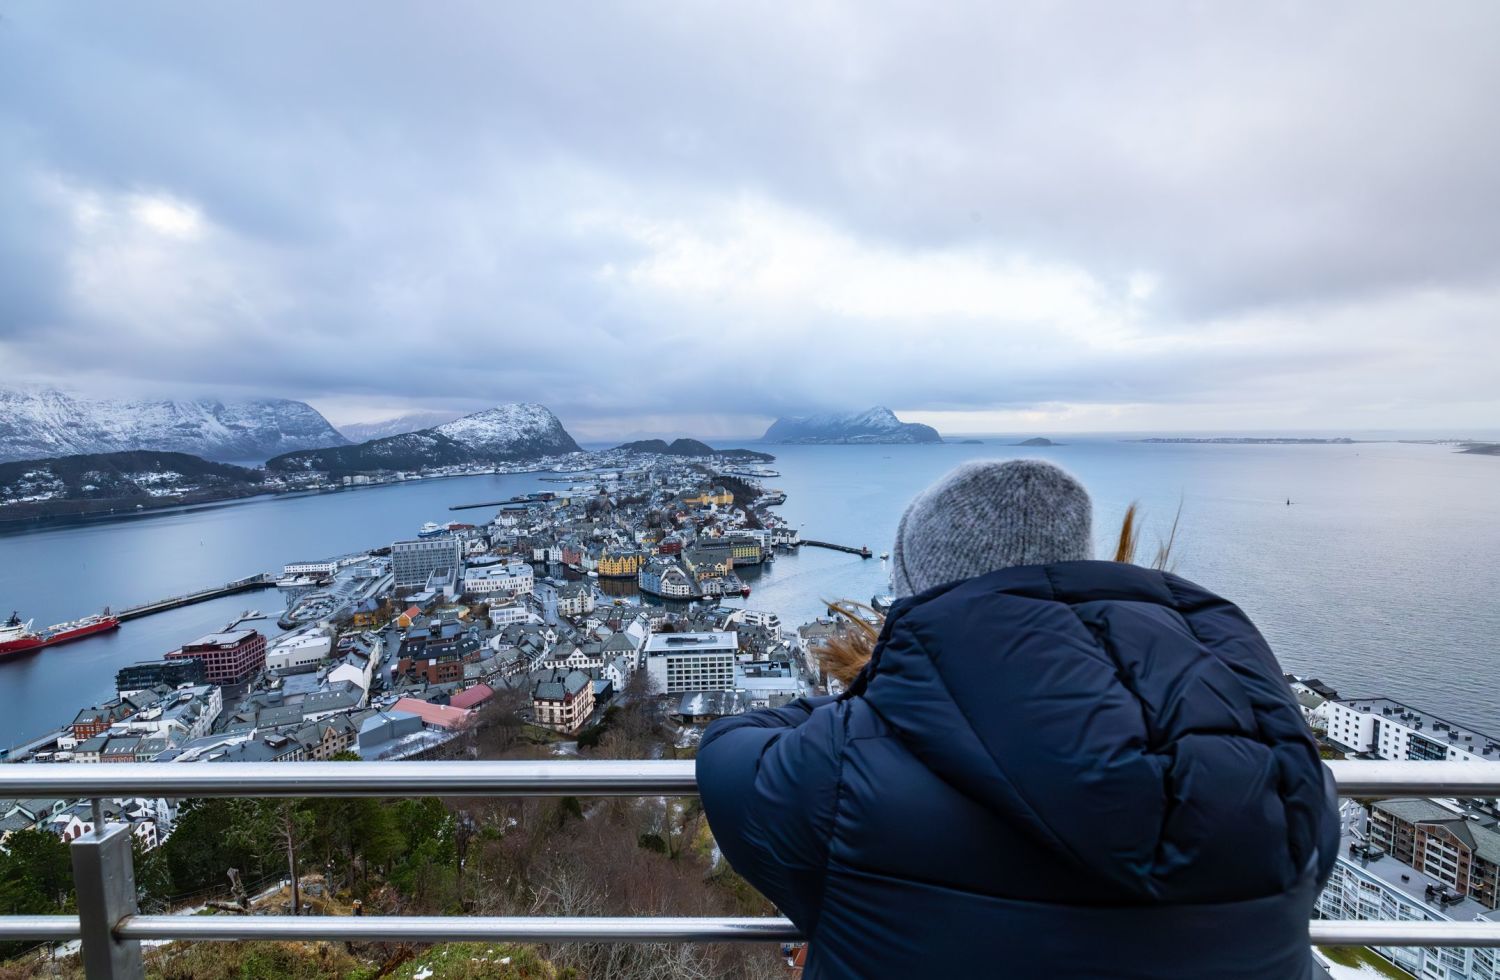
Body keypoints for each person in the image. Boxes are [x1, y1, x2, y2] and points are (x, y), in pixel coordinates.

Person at [697, 459, 1339, 979]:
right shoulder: (1270, 760)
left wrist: (873, 700)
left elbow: (727, 751)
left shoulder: (842, 768)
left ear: (918, 587)